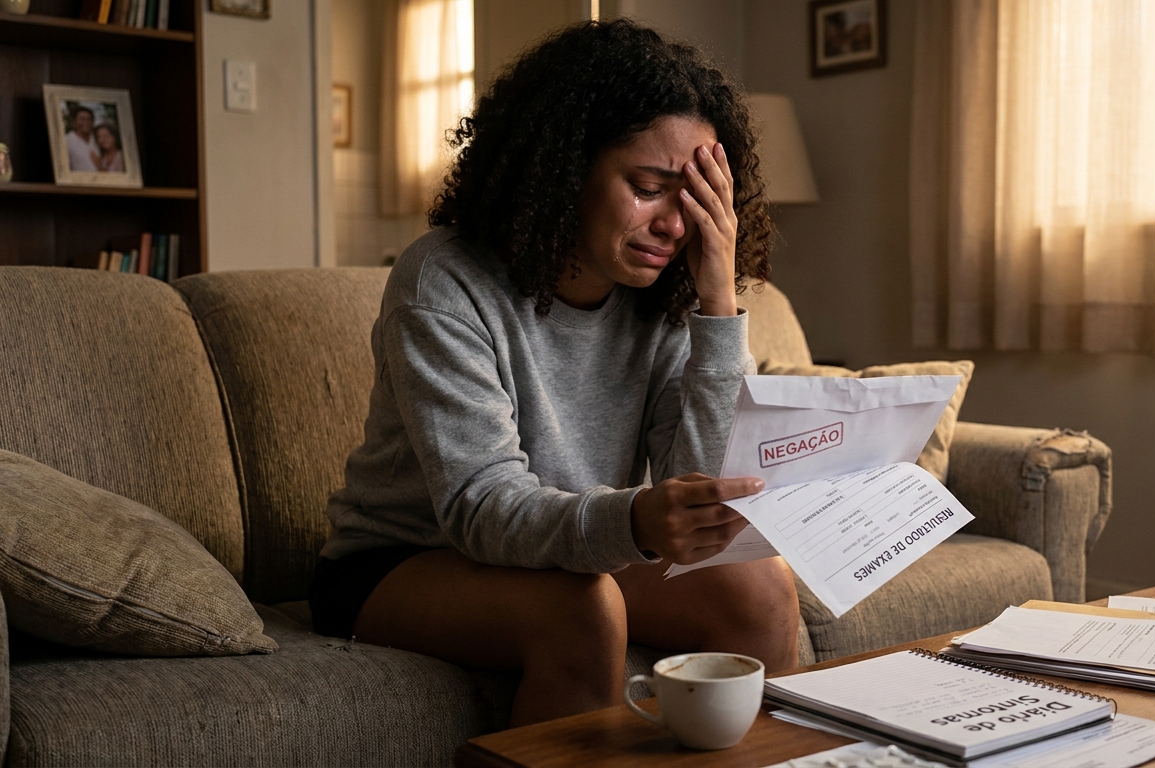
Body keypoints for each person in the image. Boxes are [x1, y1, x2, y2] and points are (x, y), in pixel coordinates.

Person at [308, 20, 799, 727]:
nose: (674, 224)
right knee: (585, 608)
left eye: (693, 199)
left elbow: (703, 490)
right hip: (405, 559)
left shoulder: (663, 296)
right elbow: (481, 507)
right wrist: (633, 517)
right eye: (649, 187)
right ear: (566, 169)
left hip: (577, 544)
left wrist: (718, 303)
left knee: (760, 587)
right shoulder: (444, 281)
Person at [64, 106, 98, 172]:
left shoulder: (97, 139)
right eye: (82, 119)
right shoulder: (66, 140)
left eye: (89, 119)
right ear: (74, 121)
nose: (85, 122)